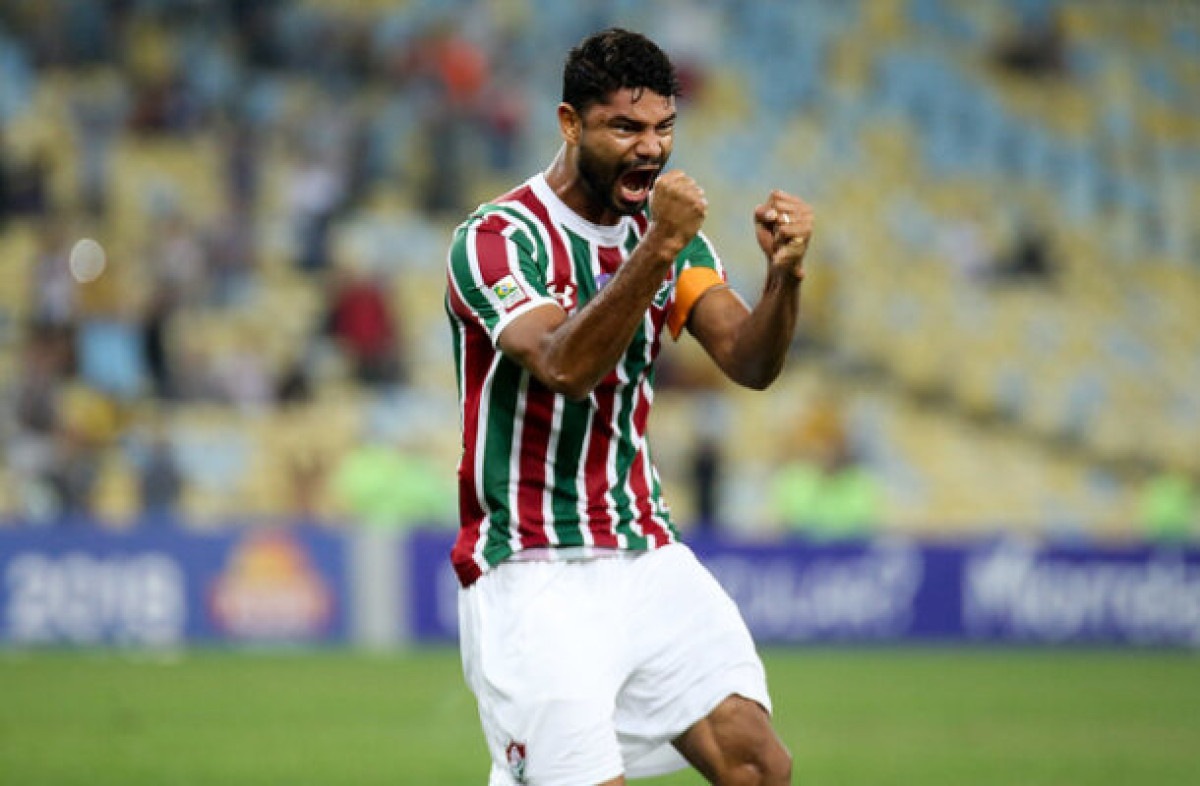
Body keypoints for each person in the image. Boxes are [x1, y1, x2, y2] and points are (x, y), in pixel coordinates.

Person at [444, 28, 812, 785]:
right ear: (570, 124)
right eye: (626, 128)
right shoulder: (497, 240)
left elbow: (748, 360)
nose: (651, 149)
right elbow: (562, 366)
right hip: (531, 564)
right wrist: (656, 251)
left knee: (757, 765)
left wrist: (785, 278)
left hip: (642, 548)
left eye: (664, 128)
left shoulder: (668, 238)